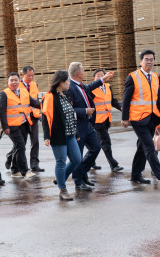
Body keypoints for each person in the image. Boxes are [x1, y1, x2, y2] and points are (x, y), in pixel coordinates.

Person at [121, 50, 160, 185]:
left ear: (154, 61)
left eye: (151, 59)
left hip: (151, 117)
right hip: (137, 118)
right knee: (149, 146)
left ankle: (136, 175)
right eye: (146, 59)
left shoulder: (155, 77)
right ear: (141, 61)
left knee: (141, 147)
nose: (149, 62)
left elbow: (159, 99)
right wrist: (124, 118)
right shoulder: (133, 77)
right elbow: (126, 99)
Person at [65, 62, 114, 191]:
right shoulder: (70, 87)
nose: (84, 72)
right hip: (78, 127)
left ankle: (82, 173)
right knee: (78, 155)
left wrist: (103, 79)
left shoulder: (80, 85)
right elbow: (67, 110)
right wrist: (84, 111)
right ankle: (78, 181)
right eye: (83, 70)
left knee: (96, 148)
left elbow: (90, 86)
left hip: (87, 124)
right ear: (78, 73)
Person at [41, 71, 82, 200]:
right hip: (58, 135)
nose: (69, 83)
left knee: (76, 159)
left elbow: (71, 116)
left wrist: (76, 132)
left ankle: (60, 178)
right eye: (67, 81)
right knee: (61, 162)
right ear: (61, 83)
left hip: (70, 134)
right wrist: (47, 136)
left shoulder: (66, 95)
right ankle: (62, 190)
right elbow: (45, 118)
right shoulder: (49, 97)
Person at [0, 72, 40, 179]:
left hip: (24, 124)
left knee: (19, 147)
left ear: (19, 80)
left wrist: (47, 102)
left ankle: (15, 169)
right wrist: (5, 127)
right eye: (11, 80)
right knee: (21, 146)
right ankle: (25, 171)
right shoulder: (4, 94)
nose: (14, 82)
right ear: (8, 82)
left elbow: (34, 103)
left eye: (16, 80)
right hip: (12, 126)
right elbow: (2, 112)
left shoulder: (23, 91)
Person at [90, 69, 124, 172]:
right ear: (94, 78)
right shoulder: (91, 89)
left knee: (97, 143)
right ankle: (113, 165)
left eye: (102, 75)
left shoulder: (108, 87)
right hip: (96, 121)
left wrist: (122, 108)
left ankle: (91, 161)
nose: (100, 77)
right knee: (105, 142)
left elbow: (112, 101)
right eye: (97, 75)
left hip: (106, 119)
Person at [16, 65, 44, 172]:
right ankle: (11, 159)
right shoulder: (17, 85)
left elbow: (35, 100)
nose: (31, 78)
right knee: (20, 143)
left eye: (32, 75)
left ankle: (34, 165)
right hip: (22, 118)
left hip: (34, 117)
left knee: (35, 141)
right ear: (23, 75)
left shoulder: (34, 85)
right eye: (29, 76)